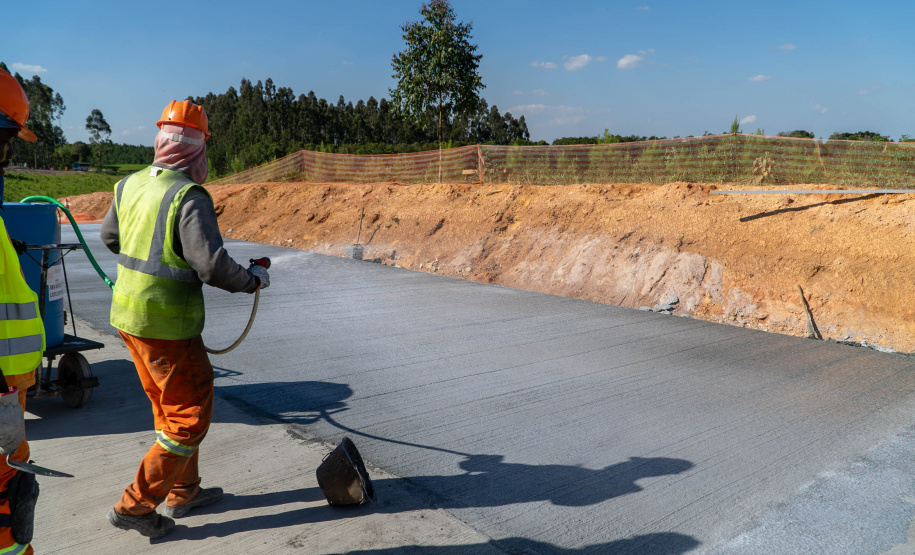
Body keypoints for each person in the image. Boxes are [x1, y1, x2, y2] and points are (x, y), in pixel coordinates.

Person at [101, 100, 270, 538]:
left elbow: (110, 237)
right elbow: (211, 265)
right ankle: (135, 506)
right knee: (188, 417)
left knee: (165, 407)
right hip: (167, 326)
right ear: (197, 148)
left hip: (128, 317)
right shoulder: (187, 196)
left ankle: (183, 491)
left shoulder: (129, 184)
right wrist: (251, 281)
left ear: (161, 140)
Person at [0, 68, 47, 555]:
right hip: (1, 394)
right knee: (8, 513)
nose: (8, 157)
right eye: (4, 141)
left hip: (10, 390)